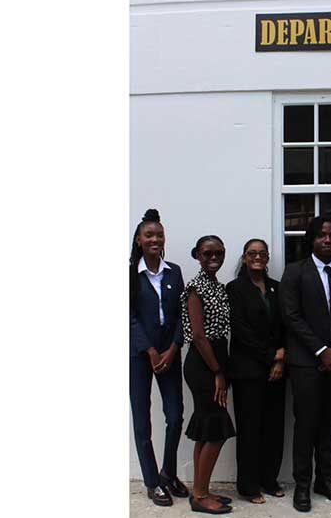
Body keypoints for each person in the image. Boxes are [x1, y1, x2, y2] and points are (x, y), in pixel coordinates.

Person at [280, 216, 331, 513]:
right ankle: (302, 484)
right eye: (321, 235)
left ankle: (325, 480)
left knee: (329, 424)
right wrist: (320, 350)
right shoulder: (295, 272)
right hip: (305, 363)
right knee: (306, 425)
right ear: (311, 239)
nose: (328, 240)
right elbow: (291, 316)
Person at [129, 208, 189, 506]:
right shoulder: (128, 274)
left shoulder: (174, 271)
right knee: (142, 422)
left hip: (170, 353)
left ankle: (168, 472)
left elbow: (181, 315)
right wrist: (150, 350)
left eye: (159, 234)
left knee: (175, 415)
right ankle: (152, 482)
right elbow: (129, 317)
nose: (155, 239)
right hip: (140, 356)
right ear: (139, 240)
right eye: (149, 234)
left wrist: (173, 347)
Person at [226, 239, 287, 505]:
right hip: (247, 370)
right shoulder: (235, 288)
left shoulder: (277, 287)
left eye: (262, 253)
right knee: (250, 429)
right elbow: (241, 331)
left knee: (274, 428)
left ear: (268, 257)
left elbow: (284, 324)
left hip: (277, 370)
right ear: (244, 257)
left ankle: (269, 479)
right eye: (252, 253)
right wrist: (270, 356)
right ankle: (249, 486)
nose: (258, 257)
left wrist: (281, 358)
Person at [181, 235, 236, 514]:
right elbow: (200, 336)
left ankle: (200, 489)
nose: (213, 257)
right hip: (204, 363)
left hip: (215, 358)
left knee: (206, 427)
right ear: (197, 255)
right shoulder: (195, 288)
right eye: (207, 253)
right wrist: (218, 372)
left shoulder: (216, 286)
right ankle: (200, 496)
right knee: (216, 427)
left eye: (218, 253)